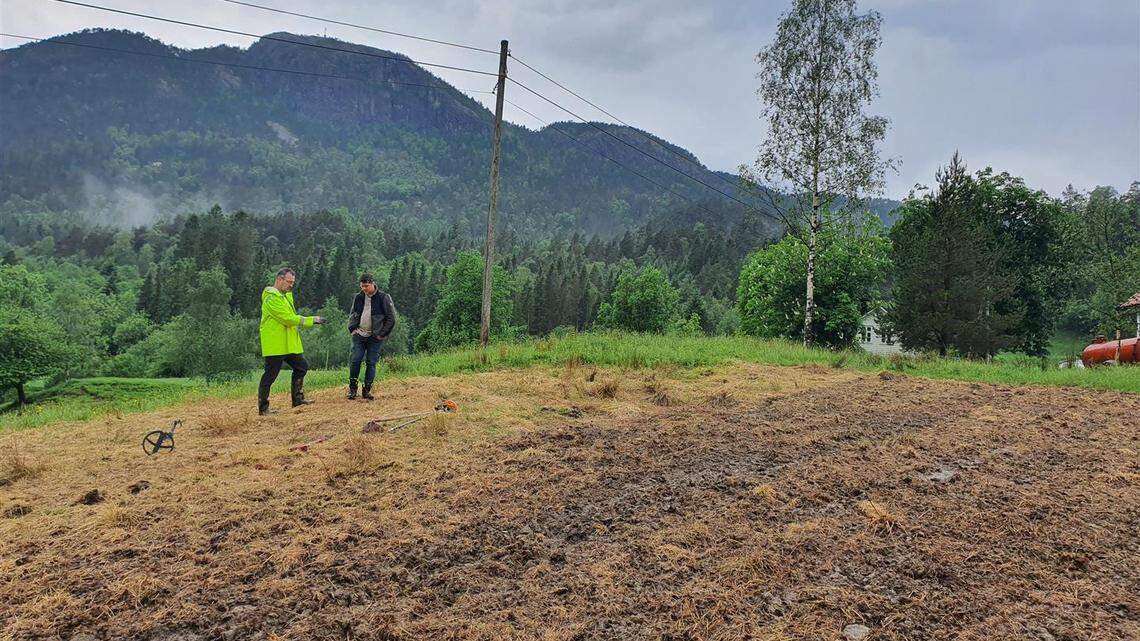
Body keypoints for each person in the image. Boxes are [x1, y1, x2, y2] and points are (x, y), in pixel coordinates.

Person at [257, 267, 325, 415]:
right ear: (279, 279)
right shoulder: (271, 298)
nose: (291, 285)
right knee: (270, 375)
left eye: (293, 282)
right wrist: (312, 320)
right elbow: (287, 319)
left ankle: (298, 399)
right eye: (289, 282)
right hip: (276, 344)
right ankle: (263, 408)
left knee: (302, 367)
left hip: (288, 343)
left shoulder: (285, 296)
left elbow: (290, 317)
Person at [347, 273, 396, 400]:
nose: (364, 289)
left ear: (372, 283)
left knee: (371, 362)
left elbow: (391, 318)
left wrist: (382, 334)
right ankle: (352, 389)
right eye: (362, 286)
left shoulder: (383, 297)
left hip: (375, 337)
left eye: (366, 286)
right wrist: (352, 328)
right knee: (355, 360)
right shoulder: (358, 297)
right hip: (359, 334)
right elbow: (353, 313)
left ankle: (367, 390)